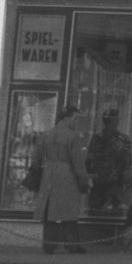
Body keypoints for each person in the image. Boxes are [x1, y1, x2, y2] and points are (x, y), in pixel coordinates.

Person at [36, 106, 91, 254]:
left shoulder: (46, 135)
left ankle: (48, 245)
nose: (76, 122)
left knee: (50, 213)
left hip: (48, 176)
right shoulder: (72, 137)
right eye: (74, 118)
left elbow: (37, 158)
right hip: (67, 176)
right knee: (69, 213)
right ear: (66, 118)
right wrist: (84, 180)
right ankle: (72, 244)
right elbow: (78, 162)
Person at [85, 108, 132, 212]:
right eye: (109, 120)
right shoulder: (97, 137)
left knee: (117, 209)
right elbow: (90, 157)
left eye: (114, 120)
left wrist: (126, 178)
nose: (112, 123)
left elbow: (127, 161)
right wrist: (90, 173)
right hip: (99, 180)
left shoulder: (122, 139)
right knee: (95, 210)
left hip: (116, 181)